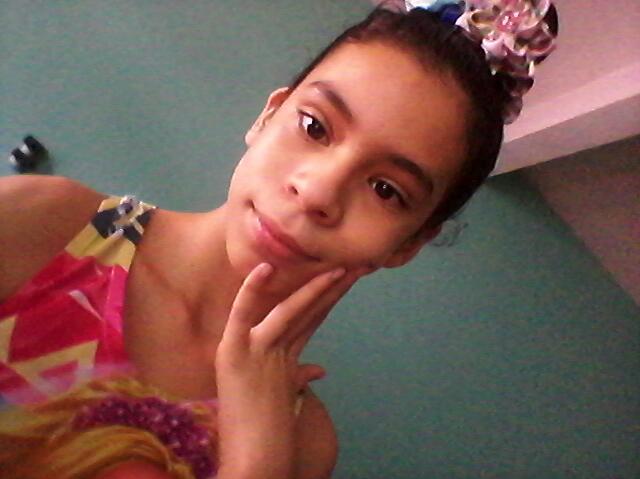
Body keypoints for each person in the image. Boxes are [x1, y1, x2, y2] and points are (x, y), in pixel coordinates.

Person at [0, 1, 559, 478]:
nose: (317, 192)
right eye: (315, 126)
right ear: (268, 116)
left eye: (387, 190)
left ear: (406, 244)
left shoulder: (304, 444)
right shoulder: (44, 224)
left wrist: (259, 452)